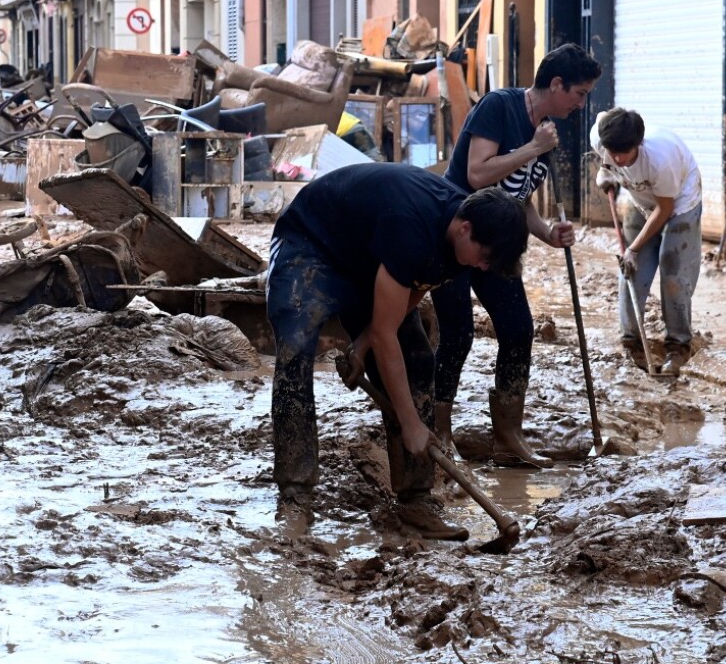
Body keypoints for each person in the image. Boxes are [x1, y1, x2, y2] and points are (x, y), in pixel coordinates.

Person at [266, 163, 529, 539]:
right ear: (464, 228)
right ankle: (295, 496)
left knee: (419, 360)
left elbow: (419, 284)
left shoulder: (463, 242)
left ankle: (415, 501)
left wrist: (363, 342)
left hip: (372, 257)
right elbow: (388, 331)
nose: (484, 266)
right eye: (485, 257)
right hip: (311, 242)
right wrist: (410, 423)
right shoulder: (414, 228)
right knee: (295, 346)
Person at [431, 43, 602, 468]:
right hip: (461, 235)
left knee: (519, 328)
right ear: (557, 84)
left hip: (502, 241)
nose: (582, 104)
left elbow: (518, 195)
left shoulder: (547, 129)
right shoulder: (499, 107)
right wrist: (532, 148)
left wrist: (547, 232)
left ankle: (508, 436)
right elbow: (478, 172)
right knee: (458, 333)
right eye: (579, 94)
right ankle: (439, 432)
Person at [591, 108, 702, 375]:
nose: (616, 158)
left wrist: (633, 247)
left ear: (638, 143)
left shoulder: (660, 159)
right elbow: (602, 117)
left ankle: (678, 346)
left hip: (679, 205)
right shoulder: (601, 139)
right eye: (611, 152)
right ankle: (631, 343)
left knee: (673, 272)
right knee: (631, 271)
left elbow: (664, 210)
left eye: (623, 153)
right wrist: (605, 171)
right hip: (640, 200)